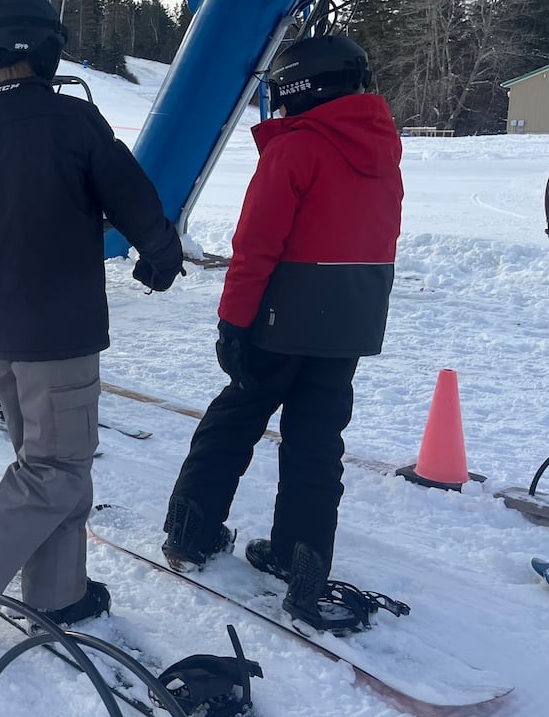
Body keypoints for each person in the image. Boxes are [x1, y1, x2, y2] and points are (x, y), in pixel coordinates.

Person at [0, 0, 185, 642]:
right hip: (58, 331)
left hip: (3, 331)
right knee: (55, 470)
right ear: (47, 49)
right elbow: (133, 194)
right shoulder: (73, 123)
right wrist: (161, 252)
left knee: (54, 466)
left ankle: (59, 596)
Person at [161, 34, 403, 632]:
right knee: (317, 443)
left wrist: (233, 322)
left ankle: (192, 531)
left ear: (297, 86)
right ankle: (302, 562)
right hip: (348, 320)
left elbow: (256, 245)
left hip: (282, 317)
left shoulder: (297, 148)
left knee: (234, 419)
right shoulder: (381, 145)